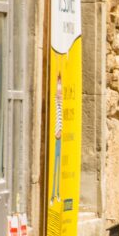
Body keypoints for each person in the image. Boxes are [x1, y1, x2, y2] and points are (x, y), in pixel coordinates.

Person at [50, 73, 63, 202]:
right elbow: (56, 119)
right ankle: (53, 194)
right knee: (55, 166)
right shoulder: (55, 103)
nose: (60, 92)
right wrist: (56, 132)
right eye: (58, 89)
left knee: (58, 167)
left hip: (60, 139)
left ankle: (57, 193)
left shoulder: (60, 105)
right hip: (56, 138)